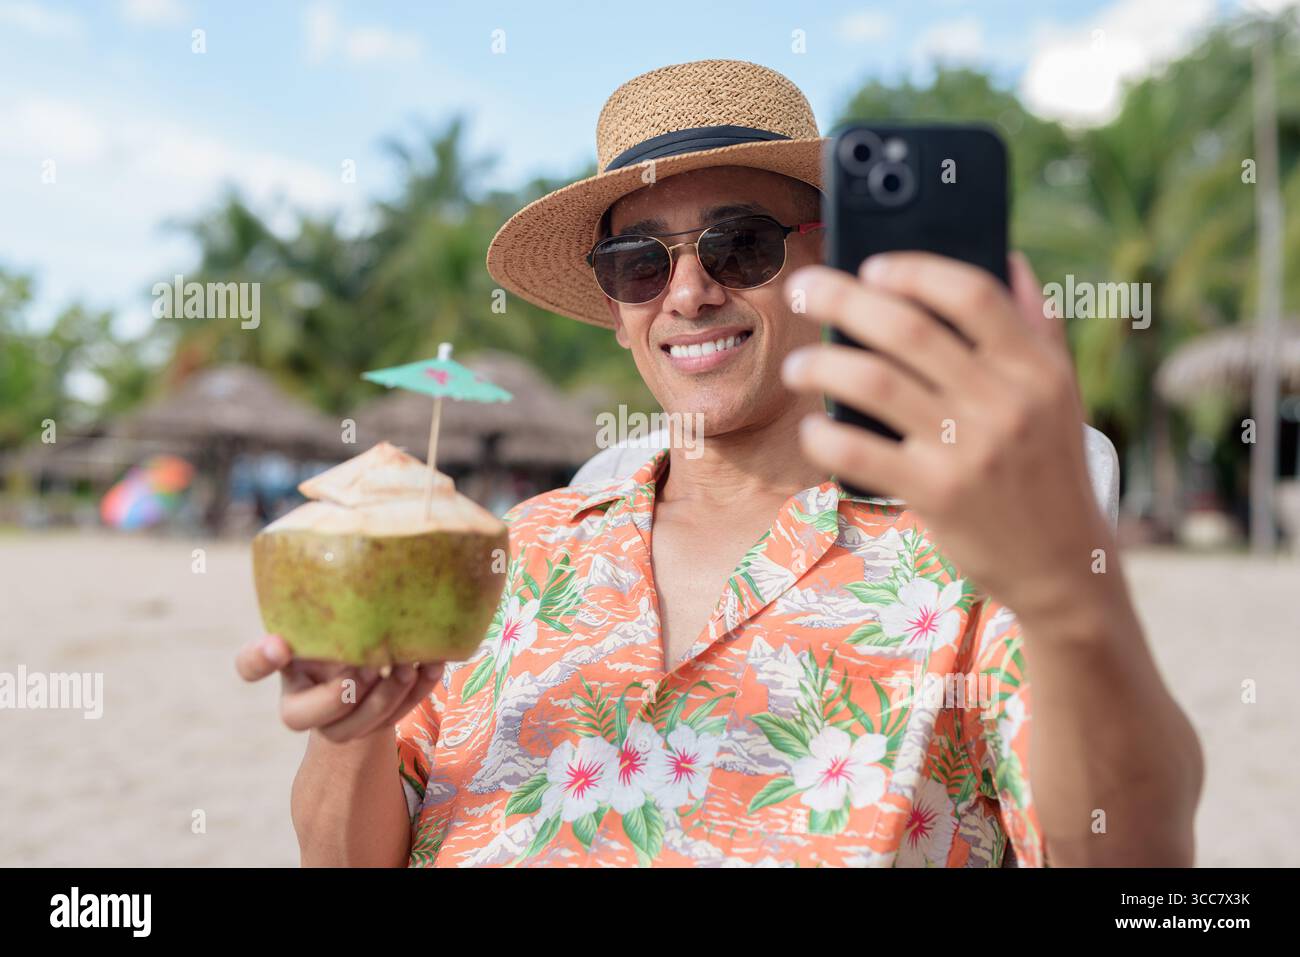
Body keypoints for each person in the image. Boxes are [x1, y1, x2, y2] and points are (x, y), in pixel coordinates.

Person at [237, 59, 1202, 867]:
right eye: (640, 264)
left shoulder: (969, 549)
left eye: (740, 246)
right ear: (617, 312)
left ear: (827, 269)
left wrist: (1072, 596)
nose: (689, 293)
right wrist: (350, 733)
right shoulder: (510, 552)